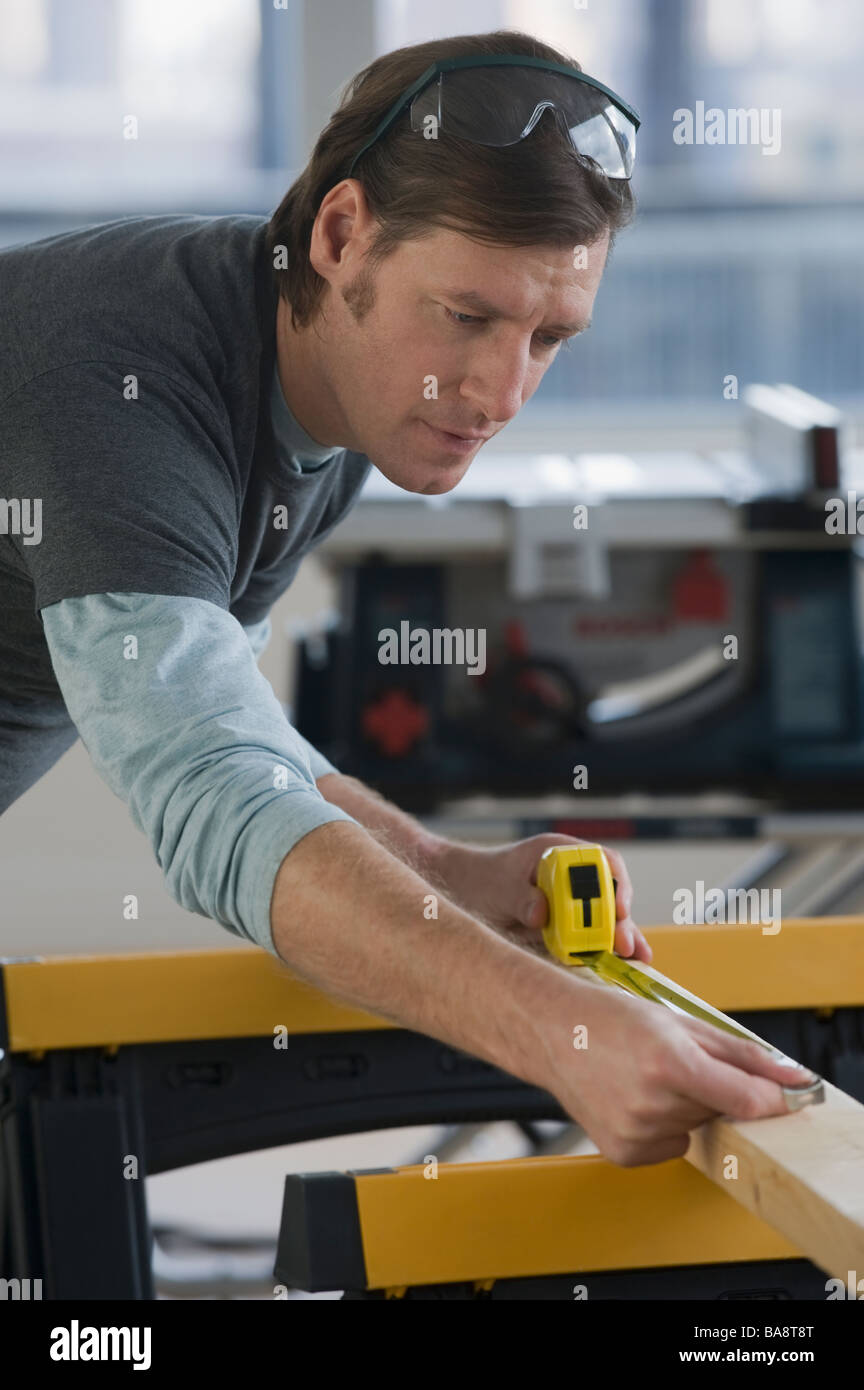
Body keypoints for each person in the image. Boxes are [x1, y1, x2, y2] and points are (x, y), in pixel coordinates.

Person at [0, 29, 813, 1166]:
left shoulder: (319, 393)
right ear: (341, 234)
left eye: (550, 337)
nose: (500, 391)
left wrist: (447, 875)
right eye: (467, 316)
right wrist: (560, 1033)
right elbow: (215, 800)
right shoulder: (119, 387)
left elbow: (232, 733)